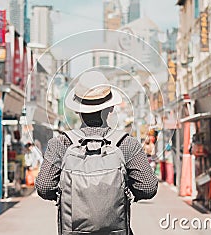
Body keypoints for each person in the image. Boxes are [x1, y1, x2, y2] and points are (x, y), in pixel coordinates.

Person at [36, 71, 158, 234]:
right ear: (111, 107)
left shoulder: (60, 144)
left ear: (77, 110)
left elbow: (44, 187)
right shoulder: (126, 143)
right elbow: (148, 187)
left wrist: (67, 193)